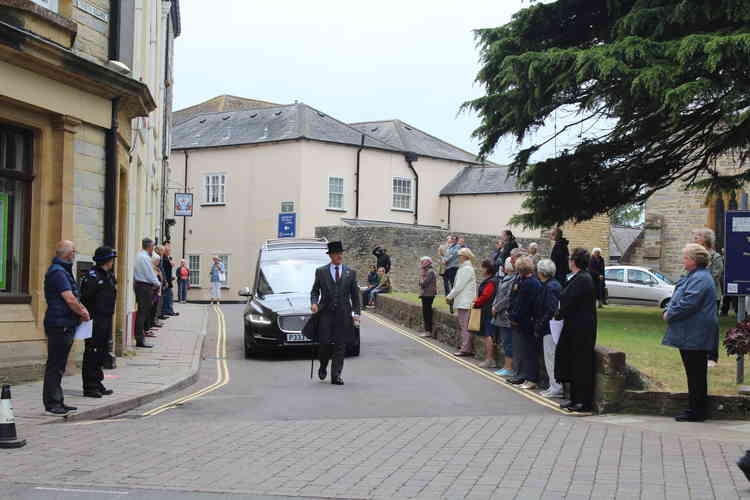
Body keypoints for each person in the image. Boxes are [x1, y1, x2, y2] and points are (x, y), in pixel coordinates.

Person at [661, 243, 718, 422]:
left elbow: (689, 302)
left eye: (685, 257)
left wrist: (670, 313)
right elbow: (681, 297)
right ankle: (695, 408)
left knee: (696, 373)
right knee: (693, 372)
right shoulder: (695, 276)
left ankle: (698, 411)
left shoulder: (701, 278)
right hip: (691, 331)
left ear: (694, 261)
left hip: (696, 332)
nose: (682, 260)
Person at [42, 240, 90, 416]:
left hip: (64, 322)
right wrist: (83, 312)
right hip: (59, 324)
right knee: (55, 365)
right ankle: (52, 403)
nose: (75, 253)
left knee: (59, 364)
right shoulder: (58, 272)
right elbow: (69, 299)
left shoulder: (61, 270)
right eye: (73, 251)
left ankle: (58, 400)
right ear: (67, 253)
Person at [310, 241, 360, 385]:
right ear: (330, 255)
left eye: (340, 253)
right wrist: (314, 303)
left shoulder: (350, 273)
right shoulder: (321, 271)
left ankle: (336, 375)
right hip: (325, 312)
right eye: (336, 253)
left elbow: (355, 296)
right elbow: (314, 291)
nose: (339, 256)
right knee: (324, 343)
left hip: (343, 314)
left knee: (340, 345)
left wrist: (356, 314)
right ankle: (323, 365)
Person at [555, 248, 597, 413]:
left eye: (570, 259)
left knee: (581, 365)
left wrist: (559, 313)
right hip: (575, 327)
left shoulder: (582, 279)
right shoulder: (579, 278)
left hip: (581, 329)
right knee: (573, 363)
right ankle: (574, 399)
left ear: (573, 262)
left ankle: (583, 401)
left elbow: (568, 300)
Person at [79, 246, 117, 398]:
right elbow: (86, 297)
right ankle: (90, 386)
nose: (113, 262)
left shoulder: (108, 276)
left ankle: (98, 382)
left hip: (106, 318)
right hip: (94, 319)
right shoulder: (92, 276)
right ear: (106, 260)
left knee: (101, 350)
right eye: (111, 259)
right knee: (92, 352)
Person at [507, 256, 543, 389]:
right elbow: (514, 298)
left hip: (527, 322)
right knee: (522, 350)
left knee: (529, 351)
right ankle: (522, 375)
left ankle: (531, 378)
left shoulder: (530, 283)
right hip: (520, 320)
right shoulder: (521, 280)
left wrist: (515, 317)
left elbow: (524, 305)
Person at [693, 228, 723, 367]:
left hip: (711, 296)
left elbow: (715, 275)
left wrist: (698, 282)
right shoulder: (693, 256)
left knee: (711, 326)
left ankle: (712, 357)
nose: (695, 238)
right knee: (697, 326)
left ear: (706, 239)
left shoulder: (715, 256)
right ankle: (699, 355)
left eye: (698, 236)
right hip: (695, 295)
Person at [535, 259, 563, 398]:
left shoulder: (550, 287)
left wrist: (540, 323)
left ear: (541, 272)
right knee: (551, 357)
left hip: (550, 327)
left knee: (551, 357)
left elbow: (551, 309)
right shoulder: (553, 284)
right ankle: (554, 385)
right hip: (551, 327)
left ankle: (556, 386)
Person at [447, 248, 478, 357]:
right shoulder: (465, 268)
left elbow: (459, 286)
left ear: (465, 256)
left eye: (460, 255)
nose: (458, 257)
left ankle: (466, 349)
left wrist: (450, 296)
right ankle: (466, 347)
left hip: (465, 302)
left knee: (465, 327)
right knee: (464, 326)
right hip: (464, 301)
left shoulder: (466, 269)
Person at [133, 237, 160, 348]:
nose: (153, 248)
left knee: (142, 312)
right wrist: (158, 283)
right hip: (144, 287)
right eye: (153, 246)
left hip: (141, 286)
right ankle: (140, 340)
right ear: (149, 246)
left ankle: (140, 338)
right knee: (143, 312)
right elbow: (149, 274)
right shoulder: (144, 257)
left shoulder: (140, 256)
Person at [493, 257, 516, 376]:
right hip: (499, 314)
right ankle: (506, 366)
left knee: (508, 342)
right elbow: (498, 295)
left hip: (505, 315)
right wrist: (494, 306)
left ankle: (509, 367)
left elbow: (507, 298)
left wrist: (496, 307)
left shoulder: (513, 279)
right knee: (505, 341)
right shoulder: (504, 278)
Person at [474, 260, 499, 368]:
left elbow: (485, 296)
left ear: (487, 269)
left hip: (487, 311)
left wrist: (476, 302)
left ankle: (490, 359)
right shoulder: (493, 280)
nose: (481, 269)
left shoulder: (490, 282)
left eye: (483, 267)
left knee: (488, 335)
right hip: (488, 310)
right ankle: (490, 359)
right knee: (489, 335)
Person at [418, 257, 438, 338]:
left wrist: (422, 277)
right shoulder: (427, 272)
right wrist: (421, 278)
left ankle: (428, 331)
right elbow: (420, 282)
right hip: (426, 294)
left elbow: (423, 283)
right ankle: (427, 331)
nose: (421, 264)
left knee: (427, 313)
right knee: (426, 312)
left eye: (422, 262)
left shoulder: (430, 272)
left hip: (428, 295)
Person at [442, 236, 460, 313]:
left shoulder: (457, 247)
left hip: (453, 267)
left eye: (453, 239)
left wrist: (446, 260)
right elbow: (445, 254)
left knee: (453, 285)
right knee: (447, 284)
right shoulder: (449, 247)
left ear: (456, 240)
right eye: (451, 239)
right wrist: (444, 259)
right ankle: (450, 301)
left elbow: (453, 255)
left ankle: (453, 303)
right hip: (448, 267)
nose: (452, 240)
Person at [160, 243, 178, 317]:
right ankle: (168, 311)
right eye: (169, 251)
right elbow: (164, 270)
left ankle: (169, 311)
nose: (170, 252)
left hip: (168, 280)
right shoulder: (164, 259)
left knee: (169, 296)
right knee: (168, 296)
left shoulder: (167, 258)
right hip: (166, 281)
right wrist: (166, 281)